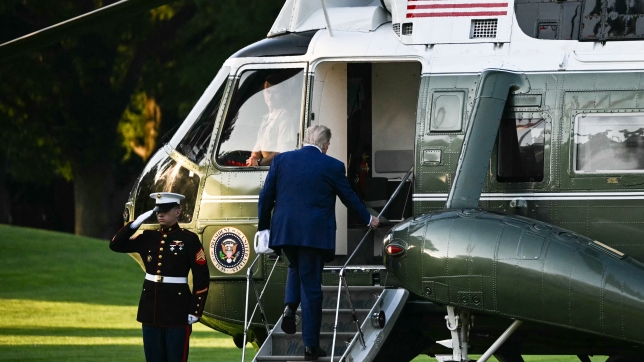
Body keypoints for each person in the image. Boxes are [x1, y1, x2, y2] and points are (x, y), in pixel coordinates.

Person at [257, 125, 380, 360]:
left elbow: (266, 196)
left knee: (295, 266)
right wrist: (368, 219)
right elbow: (349, 197)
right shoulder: (332, 166)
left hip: (285, 233)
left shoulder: (282, 160)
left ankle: (290, 307)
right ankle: (310, 346)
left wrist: (264, 228)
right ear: (325, 145)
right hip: (313, 236)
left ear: (305, 140)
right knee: (312, 288)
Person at [110, 192, 210, 362]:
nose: (160, 214)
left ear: (177, 212)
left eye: (165, 210)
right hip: (151, 309)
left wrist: (195, 311)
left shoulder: (188, 239)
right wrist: (135, 224)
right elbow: (115, 244)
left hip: (177, 310)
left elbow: (202, 277)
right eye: (157, 210)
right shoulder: (149, 237)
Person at [246, 74, 298, 166]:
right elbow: (257, 148)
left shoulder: (284, 117)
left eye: (275, 92)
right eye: (268, 92)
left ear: (283, 94)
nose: (270, 96)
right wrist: (253, 158)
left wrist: (259, 163)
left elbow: (282, 151)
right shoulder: (266, 118)